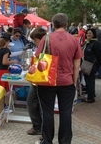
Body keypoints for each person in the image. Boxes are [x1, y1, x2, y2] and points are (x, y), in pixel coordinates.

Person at [35, 13, 83, 144]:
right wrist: (74, 82)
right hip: (67, 81)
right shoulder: (73, 39)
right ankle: (65, 141)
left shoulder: (47, 38)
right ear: (66, 24)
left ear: (53, 24)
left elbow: (38, 57)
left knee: (47, 112)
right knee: (66, 113)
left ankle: (47, 140)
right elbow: (77, 63)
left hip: (47, 81)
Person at [26, 27, 47, 135]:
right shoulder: (41, 47)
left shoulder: (46, 47)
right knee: (32, 101)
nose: (35, 42)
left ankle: (41, 128)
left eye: (35, 40)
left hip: (43, 80)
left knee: (40, 104)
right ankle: (37, 126)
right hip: (37, 79)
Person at [82, 28, 101, 103]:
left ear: (93, 34)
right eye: (87, 33)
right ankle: (91, 94)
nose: (88, 34)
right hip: (87, 64)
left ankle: (90, 97)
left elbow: (100, 56)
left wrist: (96, 65)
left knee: (90, 81)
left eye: (90, 33)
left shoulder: (96, 44)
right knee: (88, 81)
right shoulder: (87, 43)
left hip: (92, 65)